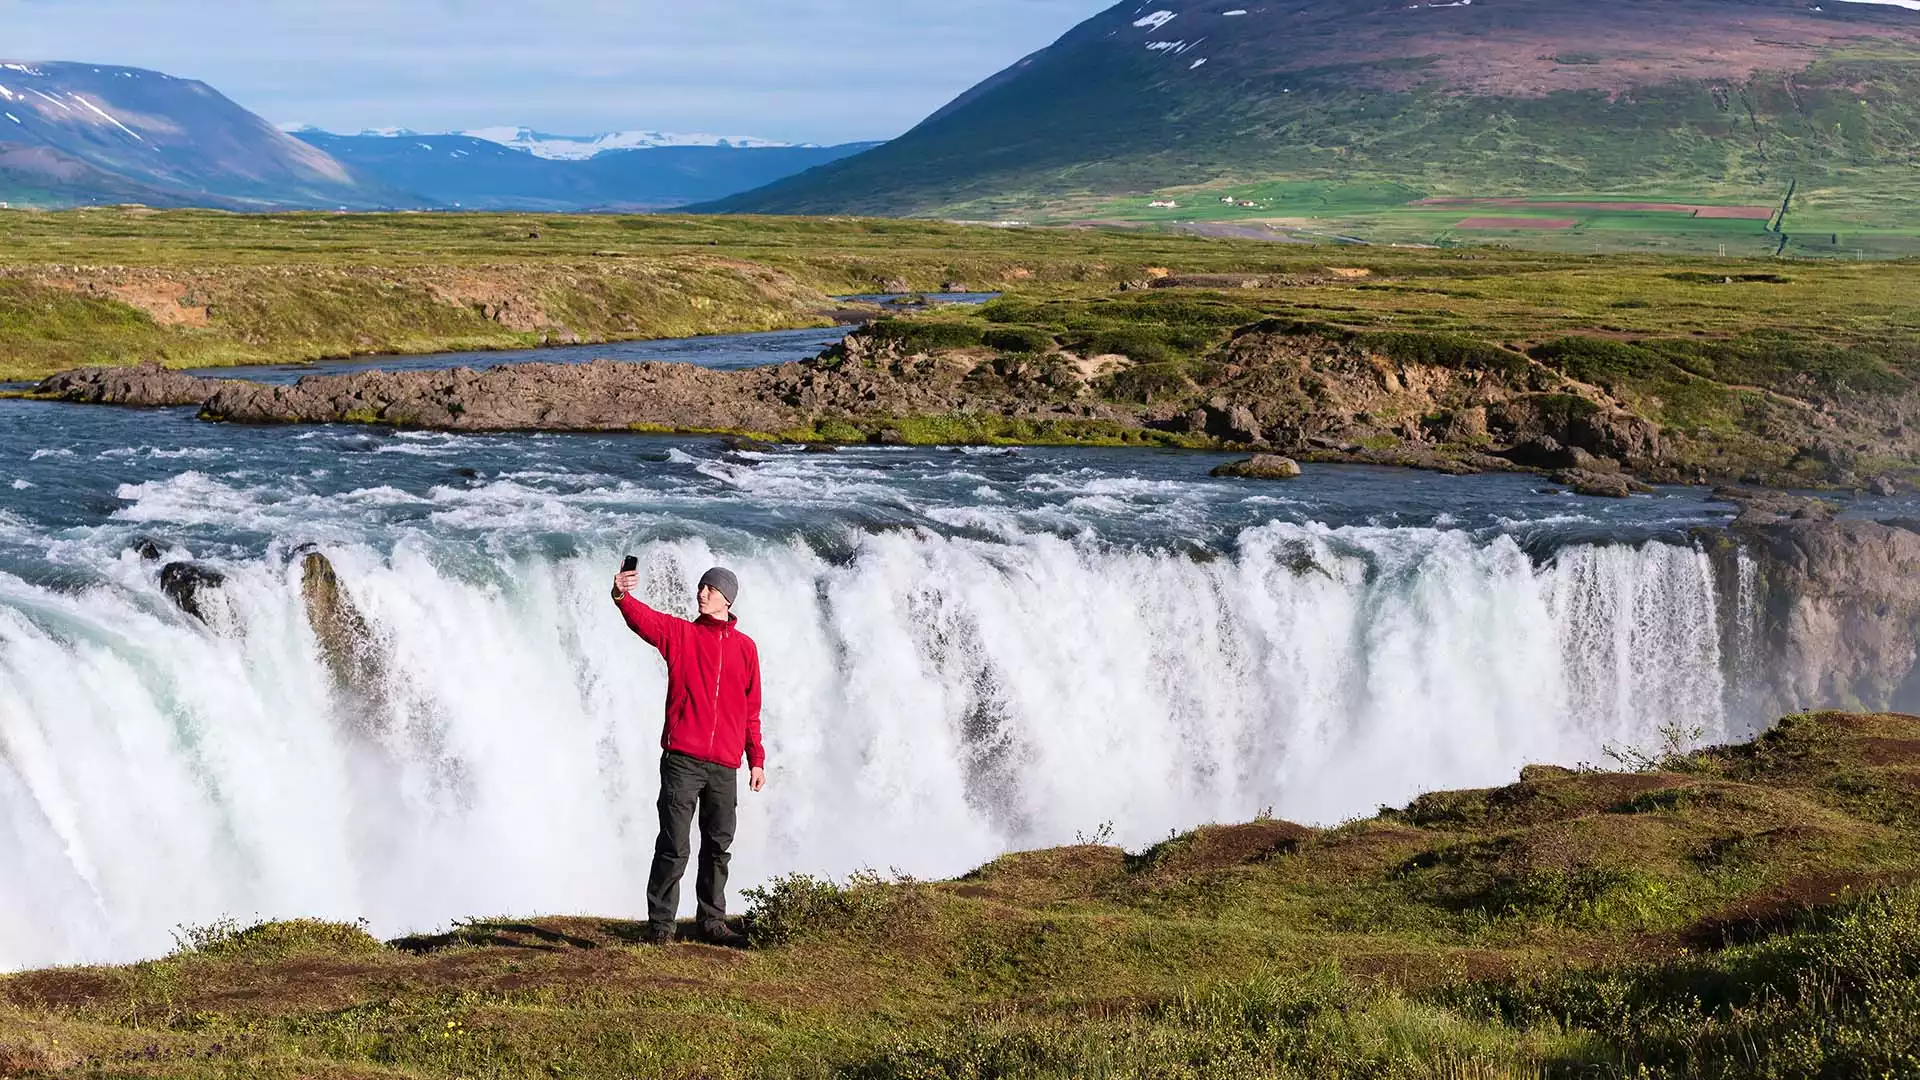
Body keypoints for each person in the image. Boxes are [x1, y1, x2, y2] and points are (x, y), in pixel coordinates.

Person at [612, 563, 766, 946]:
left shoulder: (746, 649)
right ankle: (661, 928)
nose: (701, 594)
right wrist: (620, 596)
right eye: (701, 587)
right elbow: (643, 620)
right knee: (674, 845)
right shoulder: (681, 634)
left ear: (726, 599)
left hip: (724, 766)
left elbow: (751, 710)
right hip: (682, 760)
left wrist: (756, 759)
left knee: (717, 847)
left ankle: (712, 923)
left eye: (710, 589)